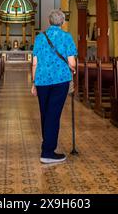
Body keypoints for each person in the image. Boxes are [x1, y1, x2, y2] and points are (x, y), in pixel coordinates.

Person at [31, 10, 77, 164]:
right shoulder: (67, 37)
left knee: (45, 113)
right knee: (53, 114)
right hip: (60, 80)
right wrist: (73, 68)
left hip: (42, 80)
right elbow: (71, 62)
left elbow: (35, 63)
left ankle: (47, 146)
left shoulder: (39, 38)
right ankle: (48, 152)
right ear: (62, 22)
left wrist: (33, 82)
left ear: (49, 21)